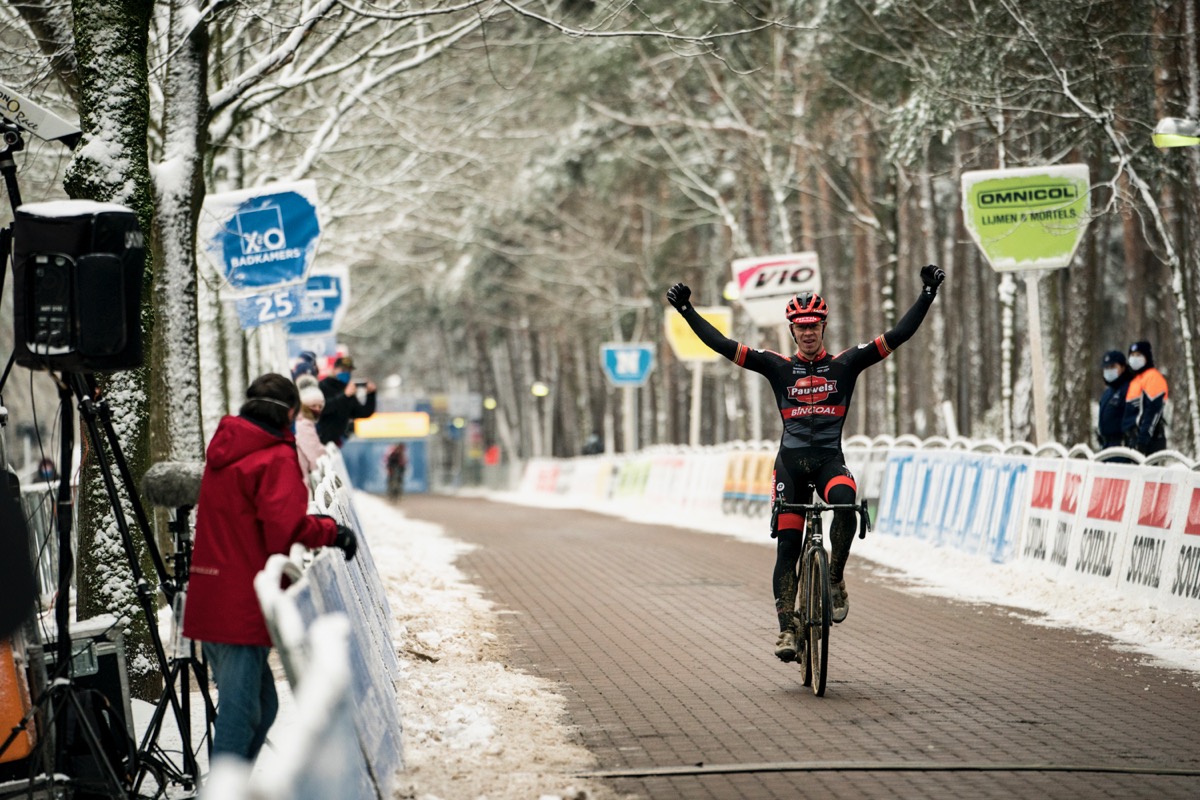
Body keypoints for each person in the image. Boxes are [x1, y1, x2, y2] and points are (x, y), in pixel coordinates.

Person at [666, 265, 944, 662]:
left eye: (814, 325)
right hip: (791, 467)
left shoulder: (845, 364)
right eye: (801, 326)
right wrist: (688, 311)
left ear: (824, 326)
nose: (808, 332)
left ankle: (834, 578)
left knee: (847, 501)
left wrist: (927, 293)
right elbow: (723, 345)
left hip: (830, 459)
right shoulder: (777, 366)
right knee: (788, 546)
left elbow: (898, 336)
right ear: (791, 329)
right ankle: (787, 630)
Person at [182, 373, 358, 763]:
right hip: (241, 603)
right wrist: (332, 531)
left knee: (263, 707)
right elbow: (285, 531)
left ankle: (236, 785)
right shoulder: (274, 456)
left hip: (213, 595)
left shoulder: (227, 447)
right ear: (290, 412)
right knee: (242, 715)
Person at [317, 356, 377, 446]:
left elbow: (363, 412)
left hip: (339, 441)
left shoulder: (347, 388)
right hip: (322, 440)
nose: (346, 373)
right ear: (334, 370)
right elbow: (322, 408)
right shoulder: (323, 385)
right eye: (343, 370)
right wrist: (344, 395)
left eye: (349, 371)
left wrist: (371, 394)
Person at [1122, 340, 1169, 455]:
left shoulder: (1153, 377)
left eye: (1138, 355)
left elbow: (1152, 412)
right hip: (1132, 440)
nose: (1134, 358)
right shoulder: (1136, 380)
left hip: (1148, 442)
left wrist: (1142, 440)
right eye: (1132, 355)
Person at [1097, 351, 1131, 450]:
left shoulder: (1129, 389)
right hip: (1106, 445)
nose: (1109, 371)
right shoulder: (1108, 392)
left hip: (1122, 446)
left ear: (1123, 367)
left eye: (1113, 367)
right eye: (1106, 368)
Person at [294, 375, 327, 475]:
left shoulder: (303, 421)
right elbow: (314, 454)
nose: (317, 409)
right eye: (313, 406)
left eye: (320, 406)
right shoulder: (303, 424)